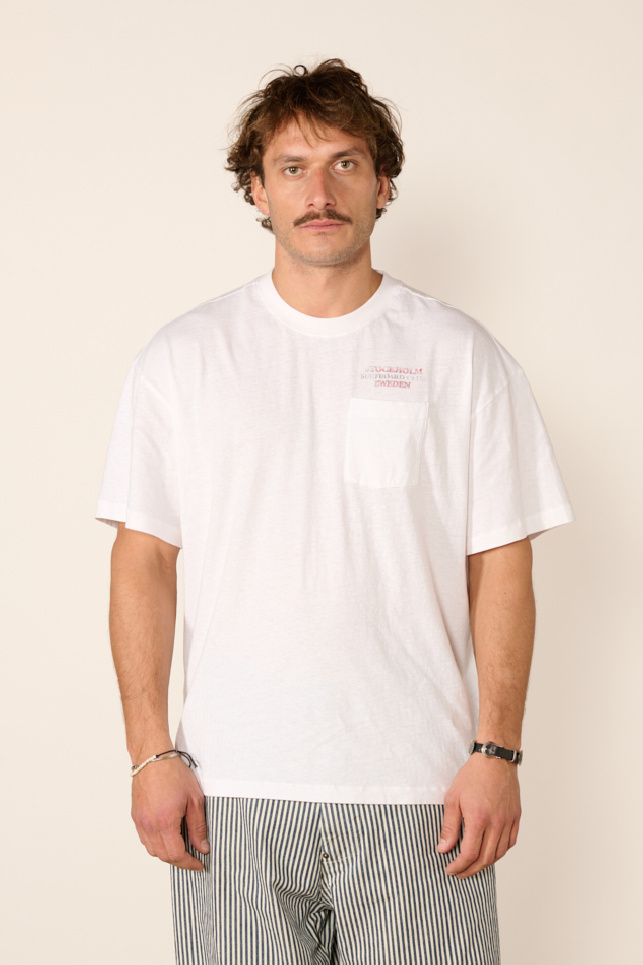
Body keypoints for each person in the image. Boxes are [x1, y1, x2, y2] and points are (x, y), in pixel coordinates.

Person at [96, 59, 574, 965]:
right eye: (292, 167)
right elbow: (143, 558)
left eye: (345, 163)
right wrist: (150, 753)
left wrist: (497, 751)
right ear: (256, 189)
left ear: (382, 182)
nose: (318, 193)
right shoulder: (183, 359)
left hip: (422, 792)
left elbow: (500, 563)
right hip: (228, 790)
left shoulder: (461, 355)